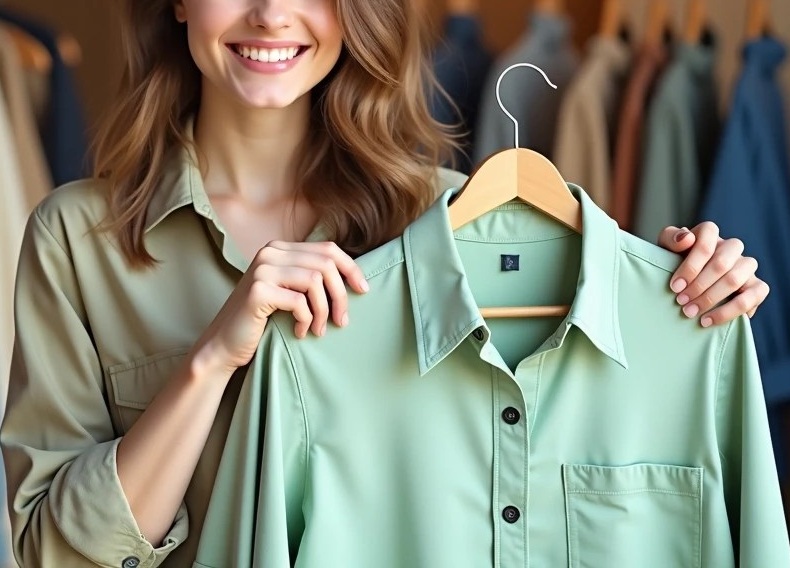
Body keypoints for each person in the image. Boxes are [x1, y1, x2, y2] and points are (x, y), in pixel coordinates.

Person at [0, 0, 770, 566]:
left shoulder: (450, 224)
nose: (271, 15)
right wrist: (210, 362)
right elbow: (47, 555)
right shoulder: (77, 241)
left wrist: (695, 288)